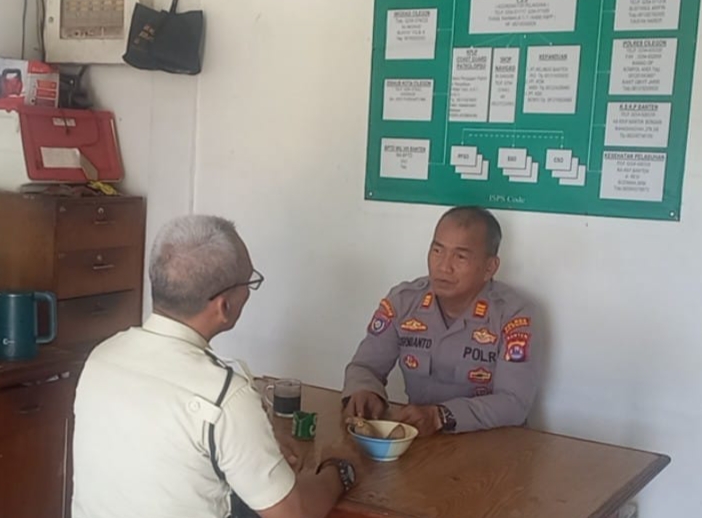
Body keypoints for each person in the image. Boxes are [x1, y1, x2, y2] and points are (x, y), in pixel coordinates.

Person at [72, 215, 360, 518]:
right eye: (250, 283)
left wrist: (252, 445)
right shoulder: (225, 396)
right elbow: (293, 514)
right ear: (225, 306)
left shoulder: (102, 358)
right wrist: (339, 470)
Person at [342, 206, 541, 436]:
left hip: (491, 445)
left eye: (460, 256)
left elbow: (514, 402)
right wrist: (365, 390)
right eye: (437, 250)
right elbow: (365, 366)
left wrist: (441, 416)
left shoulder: (513, 314)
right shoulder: (403, 303)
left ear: (490, 268)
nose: (444, 267)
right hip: (420, 441)